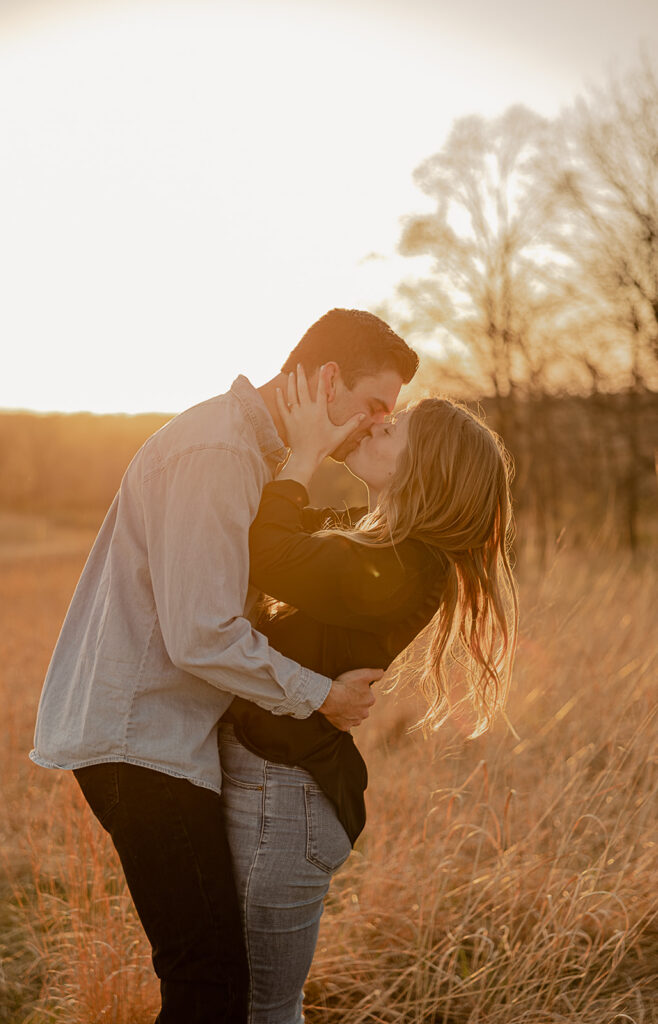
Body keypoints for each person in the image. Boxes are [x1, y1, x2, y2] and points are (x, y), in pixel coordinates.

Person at [29, 308, 420, 1024]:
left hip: (162, 740)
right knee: (206, 984)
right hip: (140, 742)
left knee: (208, 981)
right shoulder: (219, 453)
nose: (374, 425)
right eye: (374, 406)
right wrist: (321, 696)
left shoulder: (253, 457)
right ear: (327, 379)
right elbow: (202, 635)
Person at [220, 365, 519, 1023]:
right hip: (272, 792)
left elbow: (267, 551)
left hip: (284, 804)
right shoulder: (380, 541)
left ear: (424, 471)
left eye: (396, 428)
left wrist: (302, 453)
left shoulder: (399, 567)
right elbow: (284, 528)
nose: (380, 422)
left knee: (261, 1010)